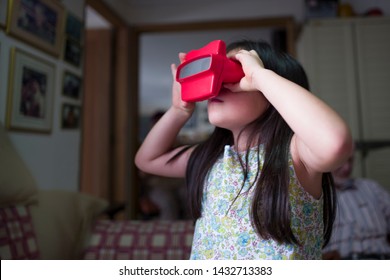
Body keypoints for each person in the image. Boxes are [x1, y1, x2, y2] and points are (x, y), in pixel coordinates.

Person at [135, 39, 353, 259]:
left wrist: (260, 76)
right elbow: (147, 159)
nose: (219, 85)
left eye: (235, 73)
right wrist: (178, 110)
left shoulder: (295, 155)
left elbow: (335, 143)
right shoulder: (212, 160)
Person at [322, 152, 390, 260]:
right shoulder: (317, 196)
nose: (347, 168)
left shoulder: (371, 188)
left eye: (350, 160)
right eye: (340, 162)